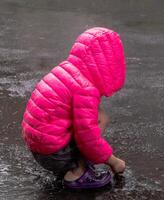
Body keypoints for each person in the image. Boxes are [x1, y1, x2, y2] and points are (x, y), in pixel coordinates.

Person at [21, 27, 126, 189]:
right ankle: (76, 173)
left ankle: (73, 162)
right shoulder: (85, 88)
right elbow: (88, 137)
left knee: (99, 116)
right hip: (52, 154)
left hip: (38, 146)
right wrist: (113, 161)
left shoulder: (67, 69)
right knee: (93, 126)